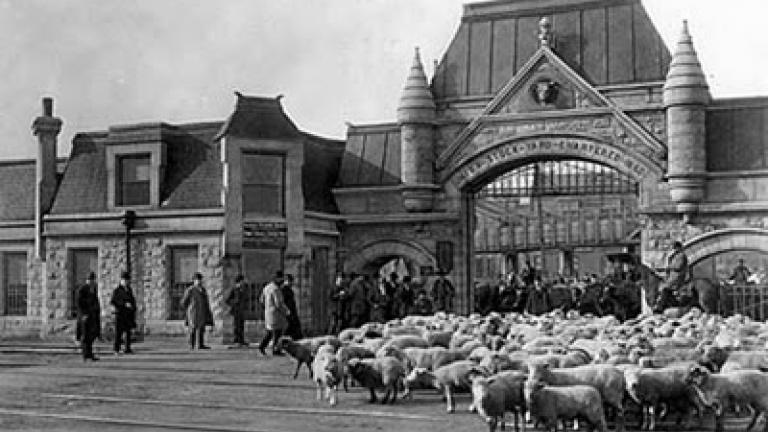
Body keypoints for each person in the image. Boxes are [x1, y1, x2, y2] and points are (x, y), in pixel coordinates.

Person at [259, 271, 289, 356]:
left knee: (270, 332)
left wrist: (266, 307)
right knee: (277, 332)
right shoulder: (276, 289)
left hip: (268, 312)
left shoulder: (267, 287)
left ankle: (262, 346)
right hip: (276, 314)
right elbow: (278, 303)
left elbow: (261, 300)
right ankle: (276, 350)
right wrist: (286, 311)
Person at [181, 273, 214, 350]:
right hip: (193, 312)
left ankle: (200, 344)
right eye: (197, 280)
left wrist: (207, 311)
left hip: (202, 311)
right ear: (194, 281)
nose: (199, 281)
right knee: (193, 328)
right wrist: (189, 308)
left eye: (200, 280)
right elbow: (184, 302)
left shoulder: (203, 290)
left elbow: (206, 301)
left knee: (201, 328)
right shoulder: (190, 290)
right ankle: (191, 344)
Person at [654, 241, 689, 312]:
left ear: (679, 248)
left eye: (675, 248)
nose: (674, 250)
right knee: (661, 286)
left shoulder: (682, 255)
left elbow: (678, 266)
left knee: (665, 288)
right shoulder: (674, 256)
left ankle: (660, 307)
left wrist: (668, 267)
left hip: (678, 277)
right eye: (674, 248)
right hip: (672, 277)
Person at [110, 271, 136, 355]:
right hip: (120, 314)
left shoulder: (129, 290)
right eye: (124, 280)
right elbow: (113, 301)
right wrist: (124, 304)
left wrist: (133, 307)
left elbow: (132, 300)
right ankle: (116, 349)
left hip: (128, 314)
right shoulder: (117, 290)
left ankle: (127, 348)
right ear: (121, 281)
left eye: (127, 280)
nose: (126, 282)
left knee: (128, 332)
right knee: (118, 333)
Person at [76, 272, 101, 361]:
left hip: (91, 315)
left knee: (91, 335)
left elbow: (95, 302)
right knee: (85, 336)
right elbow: (79, 303)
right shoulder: (82, 289)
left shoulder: (93, 289)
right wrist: (84, 314)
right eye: (90, 280)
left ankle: (89, 353)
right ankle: (86, 354)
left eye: (92, 280)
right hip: (84, 316)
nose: (91, 281)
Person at [225, 274, 248, 347]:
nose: (243, 282)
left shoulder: (243, 289)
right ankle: (236, 340)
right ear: (239, 281)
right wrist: (235, 302)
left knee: (241, 325)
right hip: (236, 310)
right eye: (242, 281)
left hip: (241, 310)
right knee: (236, 325)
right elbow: (227, 300)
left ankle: (241, 340)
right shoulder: (234, 289)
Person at [282, 274, 303, 340]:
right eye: (289, 281)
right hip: (288, 312)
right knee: (292, 327)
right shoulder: (283, 289)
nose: (291, 283)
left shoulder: (289, 289)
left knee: (294, 327)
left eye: (291, 281)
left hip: (292, 312)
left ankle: (297, 339)